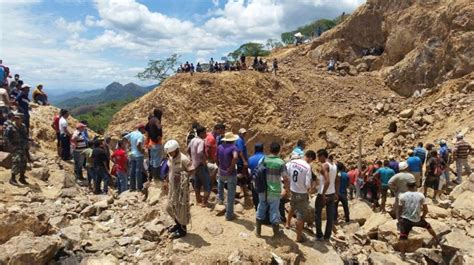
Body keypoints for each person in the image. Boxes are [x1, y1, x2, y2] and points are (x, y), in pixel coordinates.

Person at [255, 142, 289, 237]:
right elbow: (285, 178)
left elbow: (257, 172)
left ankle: (258, 232)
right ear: (279, 151)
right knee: (274, 210)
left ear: (270, 149)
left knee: (261, 207)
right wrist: (287, 190)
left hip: (263, 189)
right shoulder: (280, 162)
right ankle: (276, 234)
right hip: (274, 190)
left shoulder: (263, 159)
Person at [398, 180, 439, 259]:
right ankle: (437, 240)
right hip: (417, 219)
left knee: (403, 236)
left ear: (407, 187)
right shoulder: (421, 195)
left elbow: (400, 209)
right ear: (415, 187)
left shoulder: (402, 196)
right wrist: (422, 217)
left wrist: (399, 218)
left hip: (406, 219)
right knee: (428, 226)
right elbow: (425, 209)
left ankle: (402, 255)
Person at [164, 139, 195, 239]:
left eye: (171, 152)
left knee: (181, 209)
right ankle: (177, 224)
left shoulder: (184, 159)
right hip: (173, 187)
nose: (170, 154)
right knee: (170, 207)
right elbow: (170, 169)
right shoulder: (171, 158)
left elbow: (192, 170)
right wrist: (166, 181)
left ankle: (182, 230)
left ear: (177, 149)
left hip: (182, 189)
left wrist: (183, 175)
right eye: (169, 153)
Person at [285, 150, 316, 242]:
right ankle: (299, 237)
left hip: (292, 190)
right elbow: (307, 184)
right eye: (312, 160)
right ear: (310, 157)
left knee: (292, 207)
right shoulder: (307, 167)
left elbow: (285, 173)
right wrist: (309, 189)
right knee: (300, 216)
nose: (311, 162)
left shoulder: (292, 162)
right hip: (302, 193)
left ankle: (287, 224)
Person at [314, 149, 338, 241]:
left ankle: (319, 236)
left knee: (317, 214)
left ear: (323, 156)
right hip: (332, 193)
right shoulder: (334, 166)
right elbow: (336, 180)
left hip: (323, 194)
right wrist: (336, 192)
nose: (318, 159)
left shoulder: (324, 166)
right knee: (330, 216)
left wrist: (323, 194)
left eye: (319, 157)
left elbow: (327, 181)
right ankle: (327, 236)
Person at [216, 132, 239, 221]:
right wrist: (231, 167)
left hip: (222, 172)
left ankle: (220, 200)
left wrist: (219, 166)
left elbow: (216, 158)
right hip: (230, 174)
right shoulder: (234, 148)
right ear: (233, 140)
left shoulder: (220, 147)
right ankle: (229, 215)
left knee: (220, 184)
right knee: (230, 195)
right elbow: (235, 157)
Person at [188, 125, 211, 207]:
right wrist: (204, 161)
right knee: (207, 184)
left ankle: (198, 201)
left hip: (195, 165)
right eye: (205, 132)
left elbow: (188, 149)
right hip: (200, 165)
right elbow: (200, 152)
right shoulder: (201, 141)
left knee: (197, 184)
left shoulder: (193, 140)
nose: (206, 134)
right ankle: (204, 203)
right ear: (201, 133)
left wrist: (192, 158)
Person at [5, 112, 30, 186]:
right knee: (16, 161)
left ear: (22, 119)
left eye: (18, 118)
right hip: (15, 147)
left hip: (23, 146)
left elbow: (25, 136)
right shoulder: (10, 127)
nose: (16, 119)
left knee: (24, 161)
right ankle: (12, 178)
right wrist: (10, 146)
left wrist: (27, 144)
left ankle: (22, 177)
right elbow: (6, 137)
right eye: (15, 118)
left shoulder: (23, 126)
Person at [124, 124, 146, 191]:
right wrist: (141, 151)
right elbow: (138, 144)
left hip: (132, 154)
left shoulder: (132, 133)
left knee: (132, 171)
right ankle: (139, 187)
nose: (145, 130)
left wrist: (129, 144)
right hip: (138, 155)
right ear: (141, 129)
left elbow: (124, 138)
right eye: (144, 129)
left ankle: (132, 187)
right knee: (138, 171)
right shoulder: (141, 135)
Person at [145, 109, 163, 180]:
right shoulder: (156, 120)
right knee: (157, 160)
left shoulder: (150, 121)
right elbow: (159, 128)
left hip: (151, 143)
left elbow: (147, 131)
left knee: (152, 160)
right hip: (156, 143)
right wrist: (159, 131)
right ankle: (156, 177)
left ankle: (151, 176)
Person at [248, 143, 265, 209]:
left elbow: (248, 171)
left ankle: (257, 212)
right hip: (264, 182)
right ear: (262, 149)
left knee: (256, 198)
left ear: (255, 149)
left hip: (254, 181)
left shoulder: (250, 159)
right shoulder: (265, 158)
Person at [235, 128, 249, 200]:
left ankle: (244, 191)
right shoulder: (240, 140)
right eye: (243, 133)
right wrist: (244, 161)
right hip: (241, 162)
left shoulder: (242, 140)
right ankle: (242, 192)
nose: (244, 134)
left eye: (245, 133)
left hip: (242, 162)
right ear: (239, 133)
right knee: (241, 176)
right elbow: (240, 151)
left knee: (244, 176)